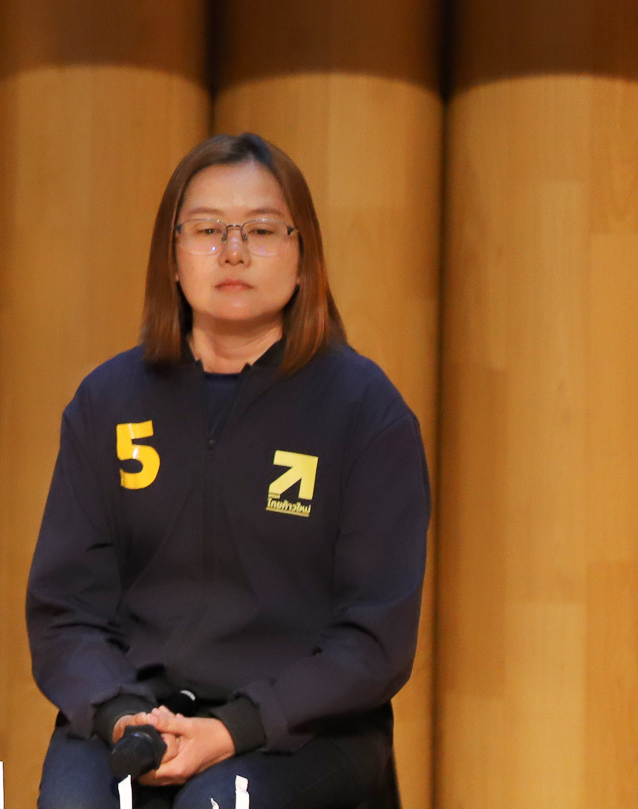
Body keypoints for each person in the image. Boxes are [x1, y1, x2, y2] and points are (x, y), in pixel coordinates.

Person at [27, 133, 428, 809]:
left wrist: (232, 729)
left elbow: (373, 641)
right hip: (132, 716)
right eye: (209, 230)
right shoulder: (107, 403)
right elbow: (66, 612)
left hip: (303, 730)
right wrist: (123, 714)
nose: (233, 251)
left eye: (262, 230)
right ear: (172, 256)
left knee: (217, 804)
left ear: (304, 257)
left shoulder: (364, 412)